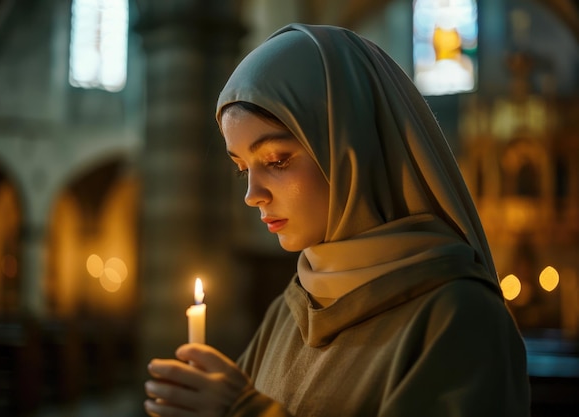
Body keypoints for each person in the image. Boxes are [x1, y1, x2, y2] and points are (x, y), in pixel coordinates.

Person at [144, 23, 531, 417]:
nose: (251, 195)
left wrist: (244, 412)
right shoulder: (290, 309)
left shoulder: (459, 317)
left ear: (351, 147)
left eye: (277, 160)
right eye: (243, 169)